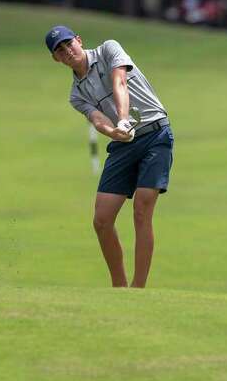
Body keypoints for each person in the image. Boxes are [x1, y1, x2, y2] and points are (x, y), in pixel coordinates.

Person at [45, 25, 173, 289]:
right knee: (102, 220)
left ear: (79, 40)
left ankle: (138, 289)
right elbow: (98, 119)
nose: (67, 50)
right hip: (123, 142)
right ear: (56, 58)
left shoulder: (108, 49)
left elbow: (120, 82)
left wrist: (124, 119)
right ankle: (119, 287)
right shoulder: (76, 95)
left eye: (69, 43)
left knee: (141, 208)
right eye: (60, 50)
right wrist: (113, 131)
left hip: (154, 133)